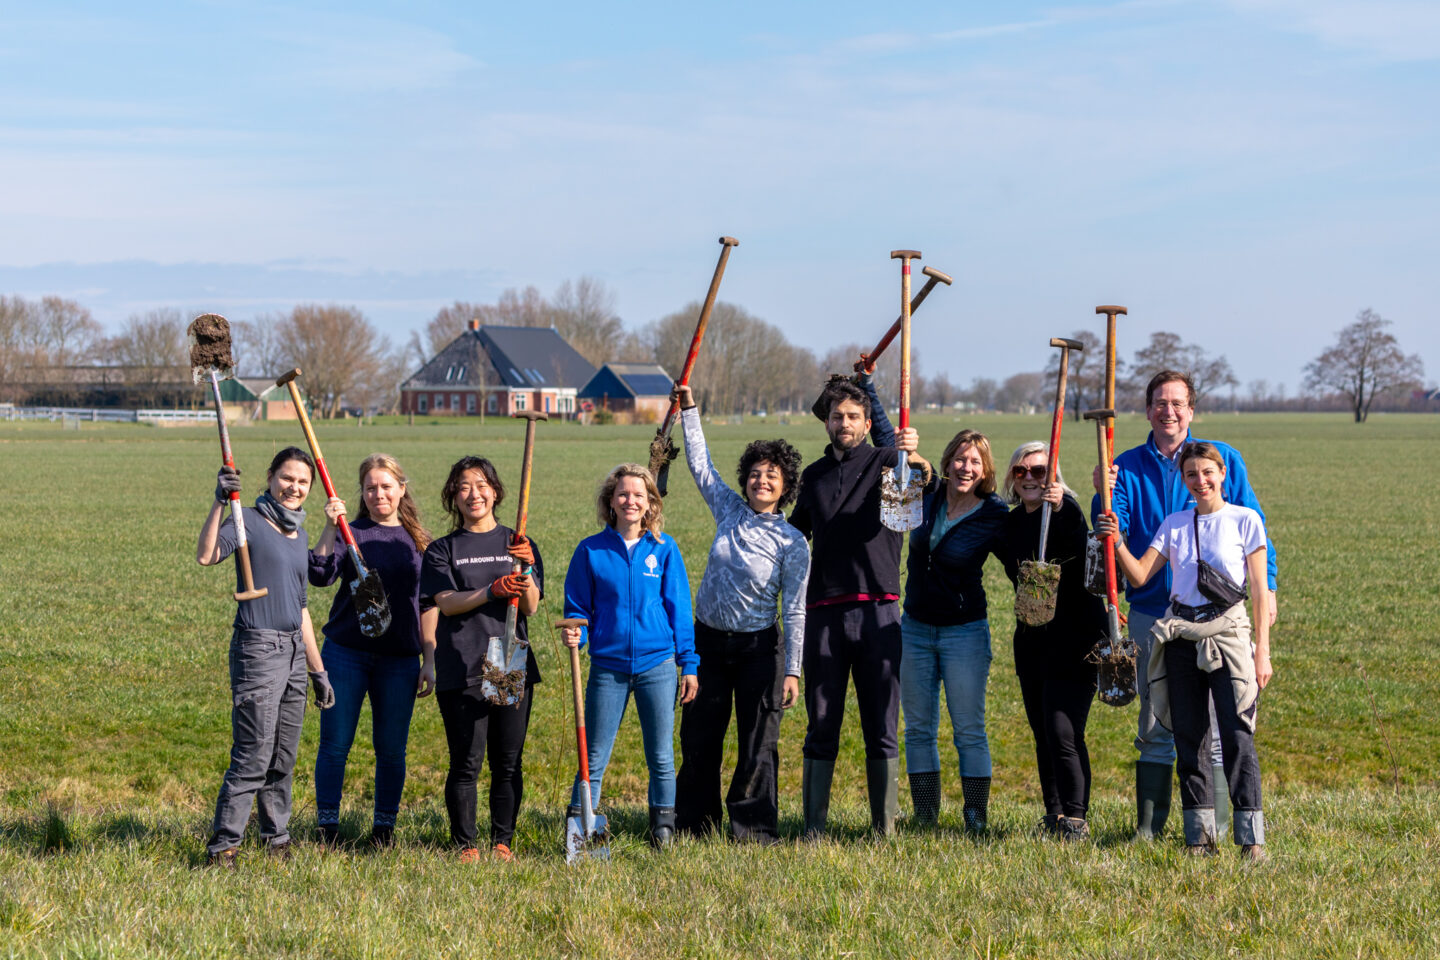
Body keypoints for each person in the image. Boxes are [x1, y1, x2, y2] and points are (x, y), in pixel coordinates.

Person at [1093, 369, 1277, 841]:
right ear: (1148, 409)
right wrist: (1102, 490)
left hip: (1221, 618)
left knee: (1220, 727)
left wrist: (1267, 591)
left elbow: (1254, 536)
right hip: (1157, 615)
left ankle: (1217, 828)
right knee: (1159, 722)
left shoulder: (1221, 459)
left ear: (1191, 410)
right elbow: (1117, 528)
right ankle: (1149, 829)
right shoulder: (1126, 466)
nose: (1168, 411)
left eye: (1177, 403)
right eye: (1159, 402)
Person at [669, 383, 810, 844]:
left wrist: (791, 670)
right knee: (699, 741)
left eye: (771, 475)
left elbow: (793, 610)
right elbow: (700, 466)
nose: (761, 480)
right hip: (707, 644)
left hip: (758, 651)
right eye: (754, 472)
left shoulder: (792, 543)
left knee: (758, 746)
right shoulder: (728, 509)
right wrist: (689, 411)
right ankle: (694, 826)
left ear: (785, 486)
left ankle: (753, 830)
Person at [789, 371, 926, 837]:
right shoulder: (814, 476)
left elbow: (919, 482)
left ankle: (883, 827)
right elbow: (792, 535)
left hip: (879, 611)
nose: (844, 423)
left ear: (867, 422)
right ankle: (814, 826)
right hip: (824, 614)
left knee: (881, 723)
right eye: (836, 416)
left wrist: (913, 453)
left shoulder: (890, 461)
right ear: (825, 422)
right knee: (822, 720)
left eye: (853, 416)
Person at [196, 446, 334, 867]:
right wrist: (219, 502)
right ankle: (224, 847)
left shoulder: (301, 534)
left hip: (294, 650)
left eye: (303, 482)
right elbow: (206, 555)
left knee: (283, 754)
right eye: (287, 478)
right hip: (259, 648)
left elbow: (302, 606)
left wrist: (318, 669)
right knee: (254, 752)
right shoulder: (248, 521)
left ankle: (277, 838)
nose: (294, 487)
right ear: (271, 477)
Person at [561, 463, 698, 848]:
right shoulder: (590, 550)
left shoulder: (664, 548)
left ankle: (663, 829)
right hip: (608, 666)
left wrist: (688, 662)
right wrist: (578, 633)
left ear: (650, 503)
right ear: (611, 501)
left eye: (639, 495)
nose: (630, 501)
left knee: (661, 755)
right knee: (594, 755)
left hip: (658, 664)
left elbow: (679, 610)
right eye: (623, 494)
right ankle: (579, 829)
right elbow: (577, 608)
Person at [419, 456, 542, 863]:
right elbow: (447, 603)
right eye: (464, 486)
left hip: (507, 659)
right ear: (454, 495)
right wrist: (491, 590)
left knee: (507, 761)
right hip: (463, 663)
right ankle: (465, 844)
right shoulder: (442, 550)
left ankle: (502, 841)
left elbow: (531, 607)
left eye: (482, 484)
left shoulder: (518, 542)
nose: (474, 493)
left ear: (496, 491)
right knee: (466, 761)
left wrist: (523, 569)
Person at [309, 453, 433, 849]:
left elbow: (428, 603)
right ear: (361, 493)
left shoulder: (419, 542)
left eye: (386, 486)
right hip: (346, 653)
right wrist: (330, 527)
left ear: (401, 488)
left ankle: (384, 831)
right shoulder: (350, 531)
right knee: (334, 744)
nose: (378, 493)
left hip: (399, 659)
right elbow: (320, 574)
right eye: (370, 487)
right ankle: (327, 828)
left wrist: (429, 659)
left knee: (392, 749)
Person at [897, 429, 1007, 831]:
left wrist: (1059, 502)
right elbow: (900, 455)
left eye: (975, 461)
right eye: (960, 459)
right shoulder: (926, 496)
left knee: (969, 729)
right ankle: (925, 814)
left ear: (985, 470)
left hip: (964, 633)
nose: (966, 467)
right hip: (914, 629)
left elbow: (1026, 557)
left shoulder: (994, 514)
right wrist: (870, 390)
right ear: (947, 463)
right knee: (919, 728)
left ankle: (975, 815)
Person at [999, 442, 1106, 839]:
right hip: (1032, 640)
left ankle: (1077, 818)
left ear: (1054, 477)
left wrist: (1059, 504)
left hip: (1076, 639)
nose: (1030, 478)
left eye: (1040, 471)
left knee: (1064, 730)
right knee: (1043, 730)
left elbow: (1077, 534)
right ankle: (1054, 814)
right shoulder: (1010, 524)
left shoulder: (1066, 512)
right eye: (1021, 472)